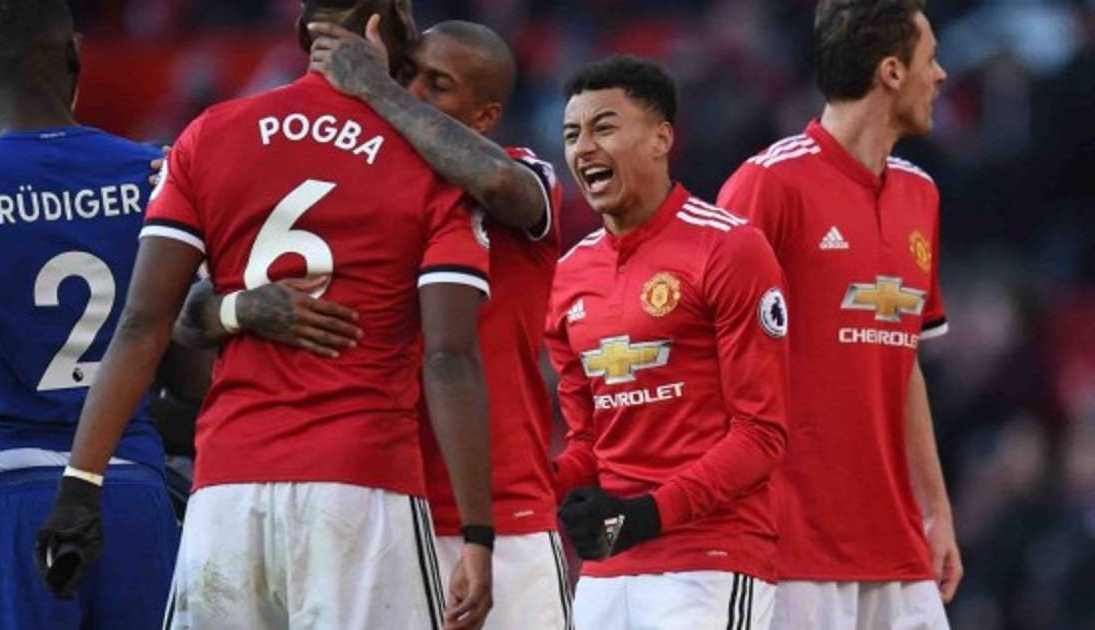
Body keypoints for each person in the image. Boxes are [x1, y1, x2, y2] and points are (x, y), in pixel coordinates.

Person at [36, 1, 496, 628]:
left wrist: (80, 482)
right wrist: (477, 533)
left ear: (303, 29)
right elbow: (448, 356)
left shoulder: (210, 134)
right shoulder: (432, 155)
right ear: (389, 23)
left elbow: (143, 324)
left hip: (228, 491)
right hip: (361, 482)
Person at [181, 17, 571, 629]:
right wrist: (241, 309)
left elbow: (500, 185)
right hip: (379, 508)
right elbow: (187, 312)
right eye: (406, 73)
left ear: (486, 116)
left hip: (504, 517)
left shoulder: (521, 173)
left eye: (437, 85)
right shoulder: (358, 182)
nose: (412, 91)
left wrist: (377, 91)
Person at [0, 0, 178, 627]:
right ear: (76, 55)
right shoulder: (155, 172)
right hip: (131, 491)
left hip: (6, 495)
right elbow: (185, 364)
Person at [715, 1, 959, 628]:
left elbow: (903, 363)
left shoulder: (921, 194)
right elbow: (708, 361)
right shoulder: (766, 186)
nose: (941, 75)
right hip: (790, 545)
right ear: (891, 72)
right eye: (931, 59)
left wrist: (936, 510)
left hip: (898, 545)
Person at [547, 55, 789, 629]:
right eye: (572, 135)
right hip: (607, 570)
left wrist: (646, 515)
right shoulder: (567, 276)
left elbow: (760, 435)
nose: (584, 148)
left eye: (604, 127)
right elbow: (588, 443)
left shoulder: (729, 249)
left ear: (661, 138)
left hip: (711, 560)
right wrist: (524, 485)